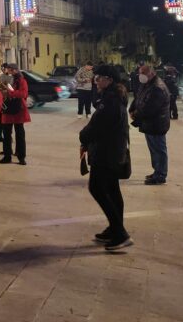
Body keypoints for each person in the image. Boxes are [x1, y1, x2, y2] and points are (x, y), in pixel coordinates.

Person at [79, 64, 133, 252]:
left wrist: (83, 136)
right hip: (112, 150)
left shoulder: (110, 101)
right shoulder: (113, 97)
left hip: (107, 152)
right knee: (112, 189)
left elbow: (98, 125)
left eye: (99, 77)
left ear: (109, 80)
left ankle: (120, 233)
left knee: (97, 188)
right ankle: (114, 228)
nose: (96, 80)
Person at [129, 64, 170, 185]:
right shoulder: (147, 84)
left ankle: (160, 175)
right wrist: (132, 109)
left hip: (157, 124)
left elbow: (150, 108)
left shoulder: (157, 87)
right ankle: (156, 171)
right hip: (149, 124)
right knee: (154, 150)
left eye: (143, 73)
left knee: (159, 150)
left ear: (152, 73)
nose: (141, 76)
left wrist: (135, 114)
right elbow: (138, 98)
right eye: (140, 73)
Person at [0, 63, 30, 166]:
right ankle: (7, 156)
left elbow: (24, 94)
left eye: (11, 70)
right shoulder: (5, 79)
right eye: (8, 70)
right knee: (6, 135)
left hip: (18, 109)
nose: (9, 72)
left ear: (16, 70)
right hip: (7, 109)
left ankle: (21, 157)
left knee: (20, 135)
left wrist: (10, 92)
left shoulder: (21, 80)